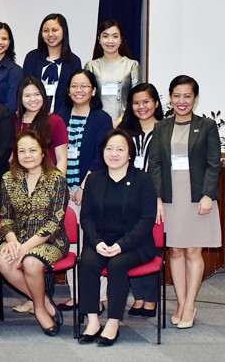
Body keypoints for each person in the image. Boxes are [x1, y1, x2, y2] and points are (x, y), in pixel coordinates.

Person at [149, 75, 221, 329]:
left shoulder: (207, 126)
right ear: (170, 98)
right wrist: (157, 197)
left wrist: (208, 195)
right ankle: (181, 302)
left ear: (195, 98)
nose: (182, 101)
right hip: (170, 197)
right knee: (175, 250)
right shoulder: (162, 127)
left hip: (197, 197)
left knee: (193, 251)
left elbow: (214, 163)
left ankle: (190, 304)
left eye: (187, 96)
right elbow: (155, 165)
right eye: (177, 96)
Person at [78, 130, 158, 346]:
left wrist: (122, 245)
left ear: (129, 154)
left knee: (117, 265)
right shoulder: (94, 179)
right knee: (86, 262)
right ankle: (93, 321)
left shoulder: (143, 180)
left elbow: (147, 219)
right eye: (109, 149)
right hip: (101, 242)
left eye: (120, 149)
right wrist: (97, 242)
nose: (114, 154)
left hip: (135, 244)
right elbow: (86, 217)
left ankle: (113, 322)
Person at [0, 131, 69, 336]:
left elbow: (55, 221)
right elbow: (5, 217)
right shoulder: (8, 179)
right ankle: (43, 300)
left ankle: (38, 309)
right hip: (16, 238)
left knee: (31, 262)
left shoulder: (57, 179)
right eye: (22, 151)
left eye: (32, 150)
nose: (27, 155)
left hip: (51, 240)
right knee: (3, 261)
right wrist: (12, 242)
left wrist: (25, 248)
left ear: (43, 152)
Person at [54, 69, 113, 310]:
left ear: (93, 91)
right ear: (68, 90)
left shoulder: (101, 118)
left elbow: (103, 155)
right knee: (72, 243)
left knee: (93, 243)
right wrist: (64, 187)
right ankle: (75, 294)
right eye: (74, 86)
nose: (79, 90)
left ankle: (98, 297)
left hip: (92, 189)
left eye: (84, 86)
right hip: (64, 190)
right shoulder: (59, 116)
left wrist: (84, 186)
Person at [118, 83, 164, 316]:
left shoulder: (166, 130)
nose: (141, 107)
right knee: (131, 242)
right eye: (136, 103)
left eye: (146, 101)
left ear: (156, 103)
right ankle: (138, 297)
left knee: (150, 243)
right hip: (129, 195)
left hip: (156, 196)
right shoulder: (126, 131)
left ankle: (150, 298)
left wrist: (159, 196)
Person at [22, 14, 82, 114]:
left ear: (64, 31)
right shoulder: (32, 58)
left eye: (54, 30)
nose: (50, 34)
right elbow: (25, 89)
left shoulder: (73, 61)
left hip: (63, 119)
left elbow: (74, 93)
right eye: (46, 31)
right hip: (34, 117)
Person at [84, 19, 141, 122]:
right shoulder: (91, 66)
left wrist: (120, 121)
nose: (110, 41)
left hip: (125, 122)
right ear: (99, 39)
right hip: (96, 121)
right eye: (105, 36)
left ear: (121, 39)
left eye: (115, 36)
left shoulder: (132, 65)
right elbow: (86, 98)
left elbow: (137, 98)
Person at [14, 76, 68, 174]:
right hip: (19, 180)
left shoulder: (55, 121)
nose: (33, 99)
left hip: (48, 180)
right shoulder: (14, 121)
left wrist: (57, 185)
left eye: (37, 94)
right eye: (27, 96)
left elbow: (62, 159)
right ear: (20, 98)